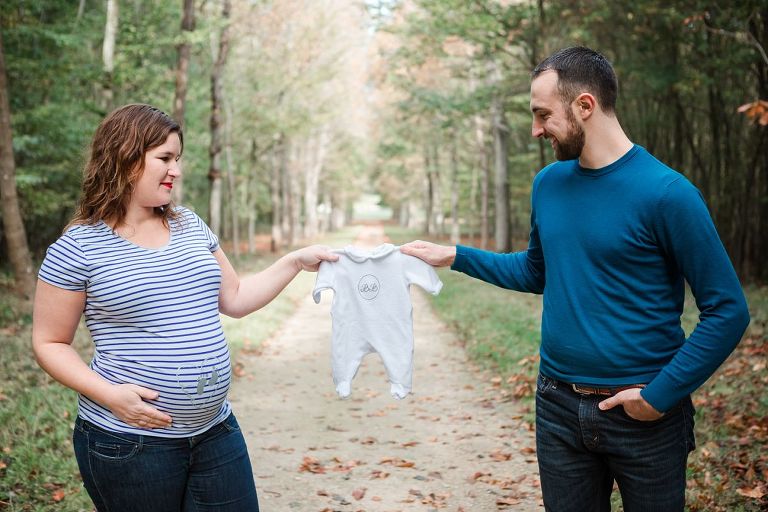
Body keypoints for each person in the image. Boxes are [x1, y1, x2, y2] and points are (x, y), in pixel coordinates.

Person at [401, 46, 750, 511]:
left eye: (543, 114)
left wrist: (659, 396)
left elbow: (728, 309)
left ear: (584, 105)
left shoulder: (668, 194)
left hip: (643, 417)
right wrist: (455, 256)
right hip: (558, 408)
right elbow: (534, 271)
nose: (535, 129)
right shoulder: (549, 184)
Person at [32, 103, 338, 512]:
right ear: (124, 158)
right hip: (129, 442)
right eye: (164, 158)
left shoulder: (189, 225)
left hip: (214, 432)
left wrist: (295, 261)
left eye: (177, 159)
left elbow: (235, 298)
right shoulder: (79, 247)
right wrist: (111, 396)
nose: (175, 169)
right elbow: (49, 342)